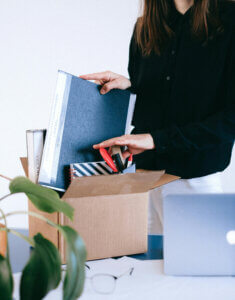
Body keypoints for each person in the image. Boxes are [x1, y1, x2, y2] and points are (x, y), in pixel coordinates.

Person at [80, 0, 235, 234]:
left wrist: (157, 140)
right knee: (135, 269)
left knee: (194, 268)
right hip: (142, 183)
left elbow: (230, 119)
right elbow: (158, 110)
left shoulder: (229, 20)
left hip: (193, 184)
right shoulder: (145, 27)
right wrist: (127, 92)